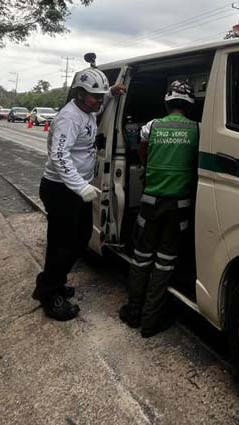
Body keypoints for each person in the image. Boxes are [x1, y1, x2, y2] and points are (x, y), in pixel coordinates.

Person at [33, 67, 126, 321]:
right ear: (80, 94)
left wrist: (111, 93)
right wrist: (80, 185)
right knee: (61, 245)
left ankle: (50, 281)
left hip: (74, 189)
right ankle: (50, 295)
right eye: (95, 96)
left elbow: (100, 101)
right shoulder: (69, 118)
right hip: (60, 189)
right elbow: (59, 156)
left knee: (80, 238)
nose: (99, 100)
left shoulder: (88, 109)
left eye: (100, 96)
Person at [120, 80, 199, 337]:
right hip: (179, 208)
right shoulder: (198, 129)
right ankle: (150, 320)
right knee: (165, 264)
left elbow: (143, 153)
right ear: (189, 105)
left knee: (141, 257)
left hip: (150, 204)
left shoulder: (151, 126)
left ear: (167, 102)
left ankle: (133, 312)